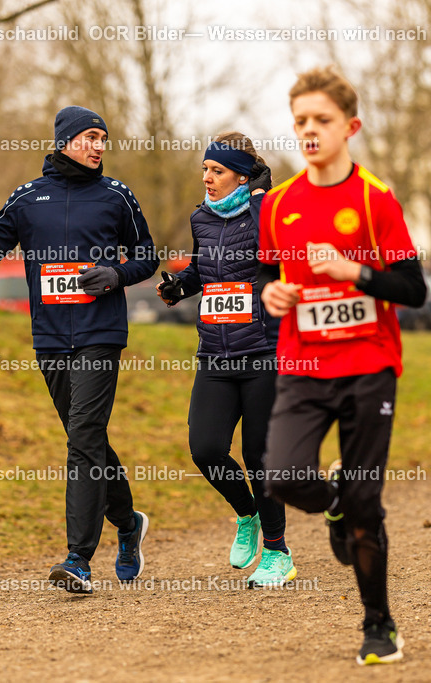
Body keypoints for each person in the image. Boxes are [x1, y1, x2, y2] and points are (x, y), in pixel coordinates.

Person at [257, 66, 426, 665]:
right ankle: (329, 501)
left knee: (364, 502)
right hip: (302, 364)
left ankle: (379, 624)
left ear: (349, 126)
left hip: (368, 365)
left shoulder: (374, 199)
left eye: (321, 120)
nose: (309, 130)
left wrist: (354, 271)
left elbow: (413, 288)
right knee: (279, 474)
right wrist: (272, 295)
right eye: (300, 120)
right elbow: (270, 278)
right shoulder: (276, 205)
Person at [0, 106, 160, 592]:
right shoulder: (29, 198)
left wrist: (117, 274)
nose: (98, 146)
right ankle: (129, 522)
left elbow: (148, 256)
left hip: (100, 334)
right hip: (50, 339)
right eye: (89, 137)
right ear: (65, 140)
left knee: (82, 437)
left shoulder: (117, 195)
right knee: (85, 438)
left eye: (103, 139)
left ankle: (78, 559)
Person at [156, 132, 294, 587]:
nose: (206, 178)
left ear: (240, 174)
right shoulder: (202, 217)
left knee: (260, 457)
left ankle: (278, 552)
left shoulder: (266, 212)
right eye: (204, 170)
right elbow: (207, 267)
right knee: (207, 448)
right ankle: (247, 514)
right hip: (215, 352)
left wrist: (260, 196)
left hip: (262, 352)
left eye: (216, 170)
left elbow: (281, 251)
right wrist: (181, 284)